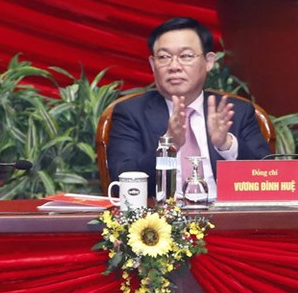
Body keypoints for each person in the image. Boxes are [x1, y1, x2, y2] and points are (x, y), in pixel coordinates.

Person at [107, 17, 270, 198]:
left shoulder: (238, 112)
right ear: (153, 65)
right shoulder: (131, 113)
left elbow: (267, 180)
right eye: (164, 57)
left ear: (209, 61)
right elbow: (122, 183)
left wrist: (226, 145)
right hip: (161, 222)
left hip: (226, 220)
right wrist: (167, 146)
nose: (174, 66)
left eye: (186, 56)